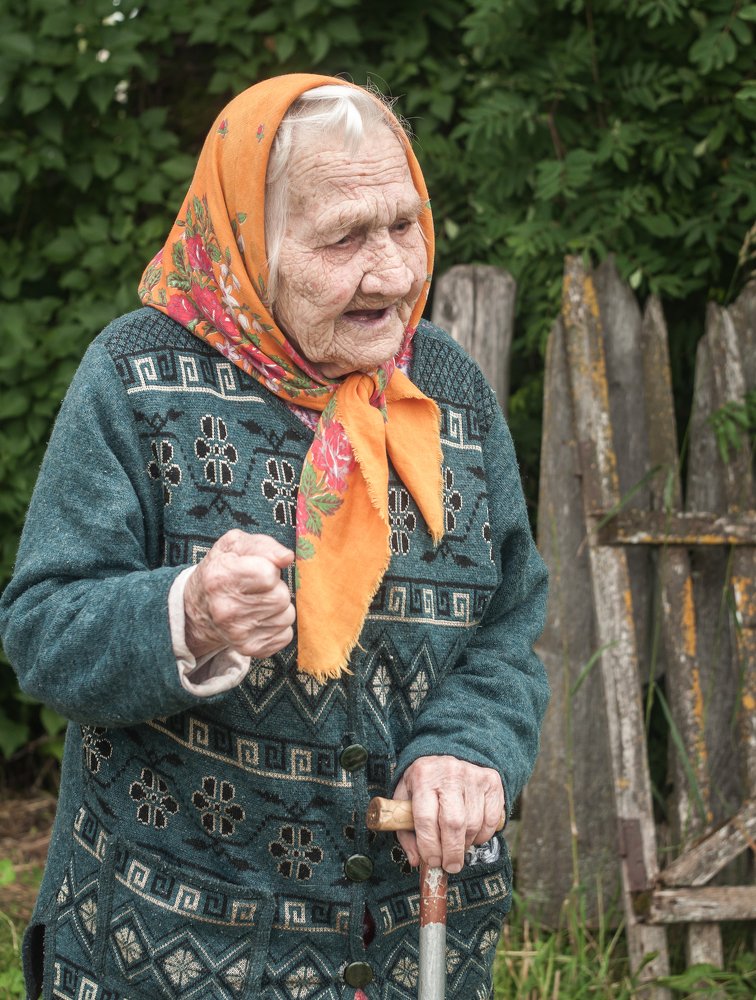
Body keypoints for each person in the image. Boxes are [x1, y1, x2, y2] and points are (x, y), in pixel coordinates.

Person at [0, 74, 548, 1000]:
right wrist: (189, 615)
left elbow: (506, 621)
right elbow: (43, 629)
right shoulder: (136, 380)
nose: (395, 272)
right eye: (344, 237)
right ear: (252, 243)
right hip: (169, 951)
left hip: (413, 945)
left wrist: (469, 744)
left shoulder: (449, 390)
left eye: (404, 224)